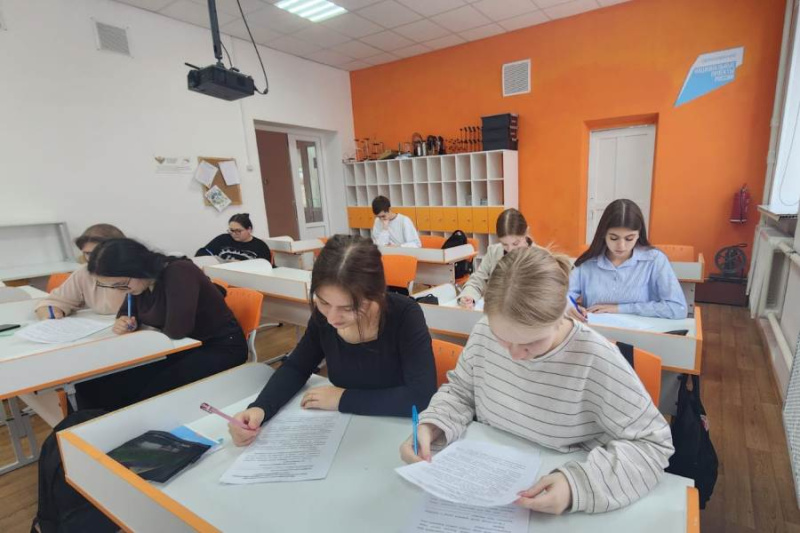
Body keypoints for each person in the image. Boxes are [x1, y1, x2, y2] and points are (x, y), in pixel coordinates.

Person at [400, 246, 674, 515]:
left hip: (555, 488)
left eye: (531, 343)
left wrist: (576, 486)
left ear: (561, 315)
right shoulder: (484, 331)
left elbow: (654, 446)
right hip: (487, 474)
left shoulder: (596, 359)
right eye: (503, 339)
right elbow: (461, 391)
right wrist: (435, 424)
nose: (515, 355)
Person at [228, 235, 436, 447]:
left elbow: (420, 396)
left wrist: (342, 399)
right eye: (324, 302)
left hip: (395, 432)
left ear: (376, 294)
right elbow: (297, 366)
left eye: (348, 308)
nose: (332, 318)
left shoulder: (404, 315)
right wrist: (261, 408)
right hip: (342, 428)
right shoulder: (324, 317)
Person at [75, 238, 248, 411]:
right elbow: (127, 312)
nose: (120, 290)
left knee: (145, 393)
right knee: (91, 385)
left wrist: (143, 323)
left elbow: (177, 330)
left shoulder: (179, 272)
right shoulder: (139, 283)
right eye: (113, 286)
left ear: (137, 268)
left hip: (219, 347)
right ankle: (90, 423)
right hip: (177, 347)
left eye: (120, 284)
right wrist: (124, 321)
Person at [567, 199, 687, 320]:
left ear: (639, 234)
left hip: (640, 330)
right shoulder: (587, 262)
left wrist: (620, 309)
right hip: (595, 329)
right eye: (614, 238)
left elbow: (678, 308)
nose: (621, 246)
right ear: (603, 234)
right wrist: (571, 308)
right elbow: (562, 298)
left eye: (629, 238)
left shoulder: (654, 260)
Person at [35, 224, 126, 319]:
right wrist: (52, 313)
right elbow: (53, 302)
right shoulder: (84, 273)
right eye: (88, 253)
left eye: (100, 252)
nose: (93, 259)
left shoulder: (134, 274)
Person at [458, 208, 534, 308]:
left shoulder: (541, 257)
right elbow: (478, 279)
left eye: (516, 243)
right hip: (494, 312)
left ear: (526, 232)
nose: (510, 249)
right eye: (504, 244)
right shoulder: (493, 252)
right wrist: (469, 295)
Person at [195, 213, 271, 262]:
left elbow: (266, 268)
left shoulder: (260, 246)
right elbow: (201, 254)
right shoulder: (223, 239)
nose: (234, 234)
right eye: (231, 230)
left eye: (238, 231)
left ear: (249, 229)